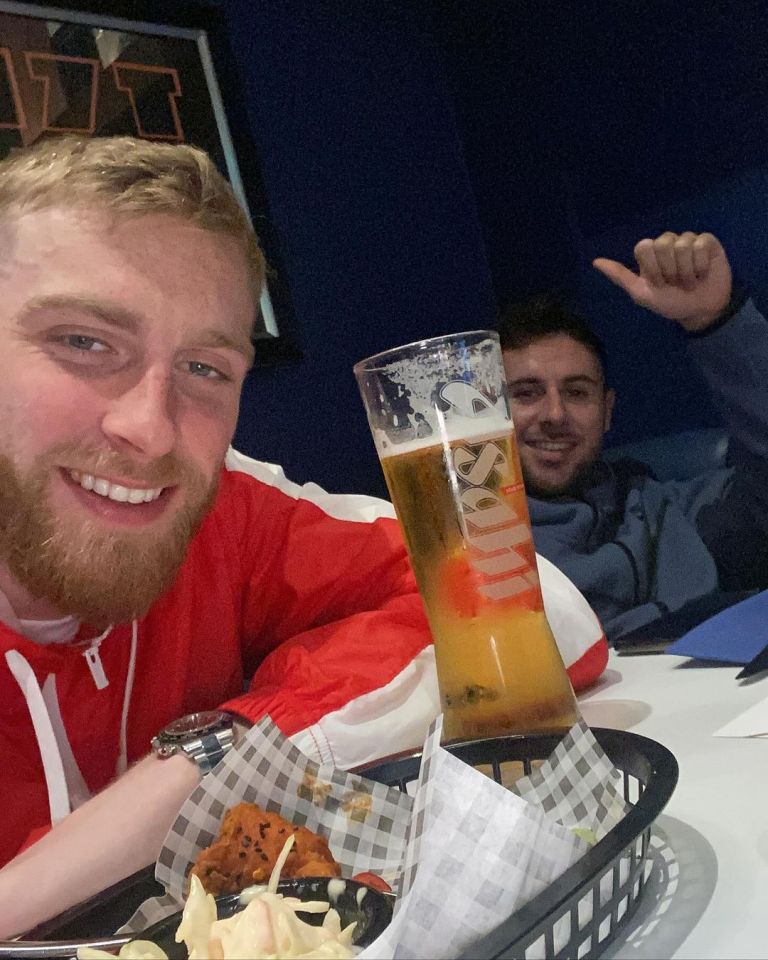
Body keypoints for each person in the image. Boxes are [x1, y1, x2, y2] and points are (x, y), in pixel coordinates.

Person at [0, 135, 605, 937]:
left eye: (205, 369)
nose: (149, 428)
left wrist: (202, 762)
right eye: (84, 342)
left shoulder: (217, 509)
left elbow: (541, 607)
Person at [499, 230, 768, 642]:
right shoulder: (456, 558)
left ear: (607, 412)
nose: (555, 414)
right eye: (526, 393)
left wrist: (716, 321)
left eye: (576, 392)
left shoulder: (667, 513)